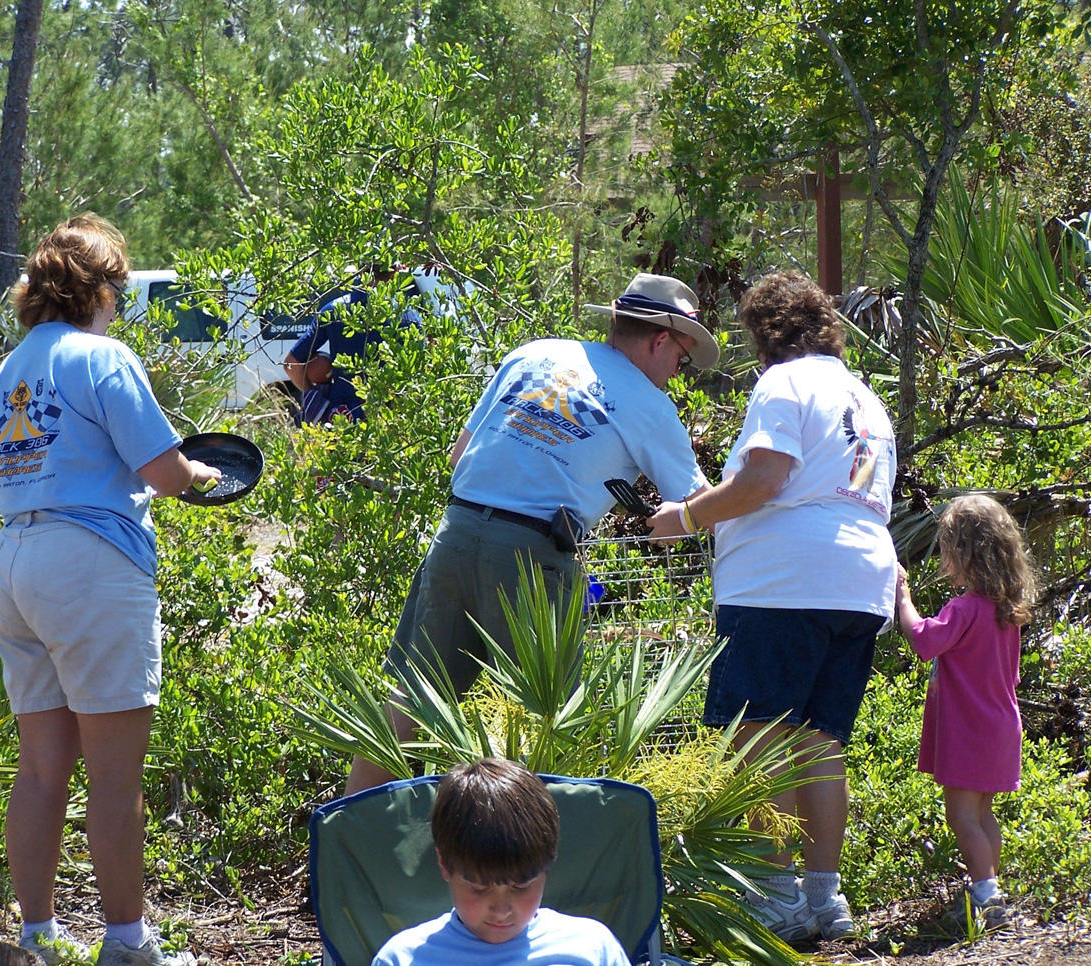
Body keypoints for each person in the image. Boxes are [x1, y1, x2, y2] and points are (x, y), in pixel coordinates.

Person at [344, 272, 719, 795]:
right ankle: (529, 864)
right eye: (681, 358)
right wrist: (676, 523)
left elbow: (459, 456)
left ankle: (346, 854)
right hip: (532, 555)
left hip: (455, 533)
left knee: (411, 698)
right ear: (661, 340)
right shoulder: (650, 406)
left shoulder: (534, 354)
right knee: (544, 722)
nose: (677, 373)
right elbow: (706, 506)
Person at [0, 213, 220, 966]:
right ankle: (127, 946)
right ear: (97, 288)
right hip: (87, 562)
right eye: (117, 287)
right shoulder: (103, 356)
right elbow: (164, 472)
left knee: (41, 767)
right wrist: (201, 475)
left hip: (14, 561)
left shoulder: (8, 368)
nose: (120, 301)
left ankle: (38, 939)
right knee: (115, 779)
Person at [648, 271, 898, 942]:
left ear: (765, 334)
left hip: (783, 583)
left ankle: (775, 896)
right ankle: (825, 899)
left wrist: (685, 518)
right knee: (821, 742)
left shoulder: (783, 383)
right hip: (858, 580)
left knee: (758, 738)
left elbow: (764, 480)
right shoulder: (864, 399)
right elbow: (853, 490)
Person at [895, 494, 1036, 931]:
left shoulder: (964, 608)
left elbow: (922, 639)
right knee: (982, 814)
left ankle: (987, 896)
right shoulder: (1006, 613)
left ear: (962, 553)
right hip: (1000, 728)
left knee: (961, 816)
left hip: (970, 732)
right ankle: (989, 888)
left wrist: (903, 596)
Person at [371, 758, 631, 966]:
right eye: (479, 888)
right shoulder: (402, 958)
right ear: (443, 863)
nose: (501, 910)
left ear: (547, 866)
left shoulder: (591, 947)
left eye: (521, 887)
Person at [282, 265, 422, 425]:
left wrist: (313, 397)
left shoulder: (333, 311)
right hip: (389, 417)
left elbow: (291, 364)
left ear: (360, 271)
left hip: (342, 416)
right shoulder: (409, 316)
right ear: (394, 273)